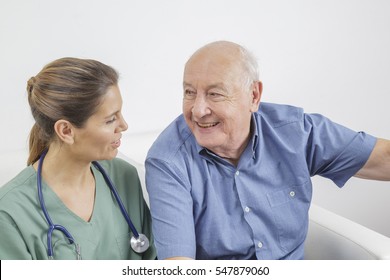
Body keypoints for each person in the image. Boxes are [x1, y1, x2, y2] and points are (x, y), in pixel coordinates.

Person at [145, 40, 390, 260]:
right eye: (189, 92)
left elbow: (383, 158)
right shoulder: (168, 161)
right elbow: (177, 269)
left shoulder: (294, 132)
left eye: (214, 94)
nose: (198, 110)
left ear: (253, 96)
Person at [0, 57, 156, 260]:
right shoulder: (10, 213)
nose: (124, 125)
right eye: (110, 120)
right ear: (66, 130)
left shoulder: (124, 176)